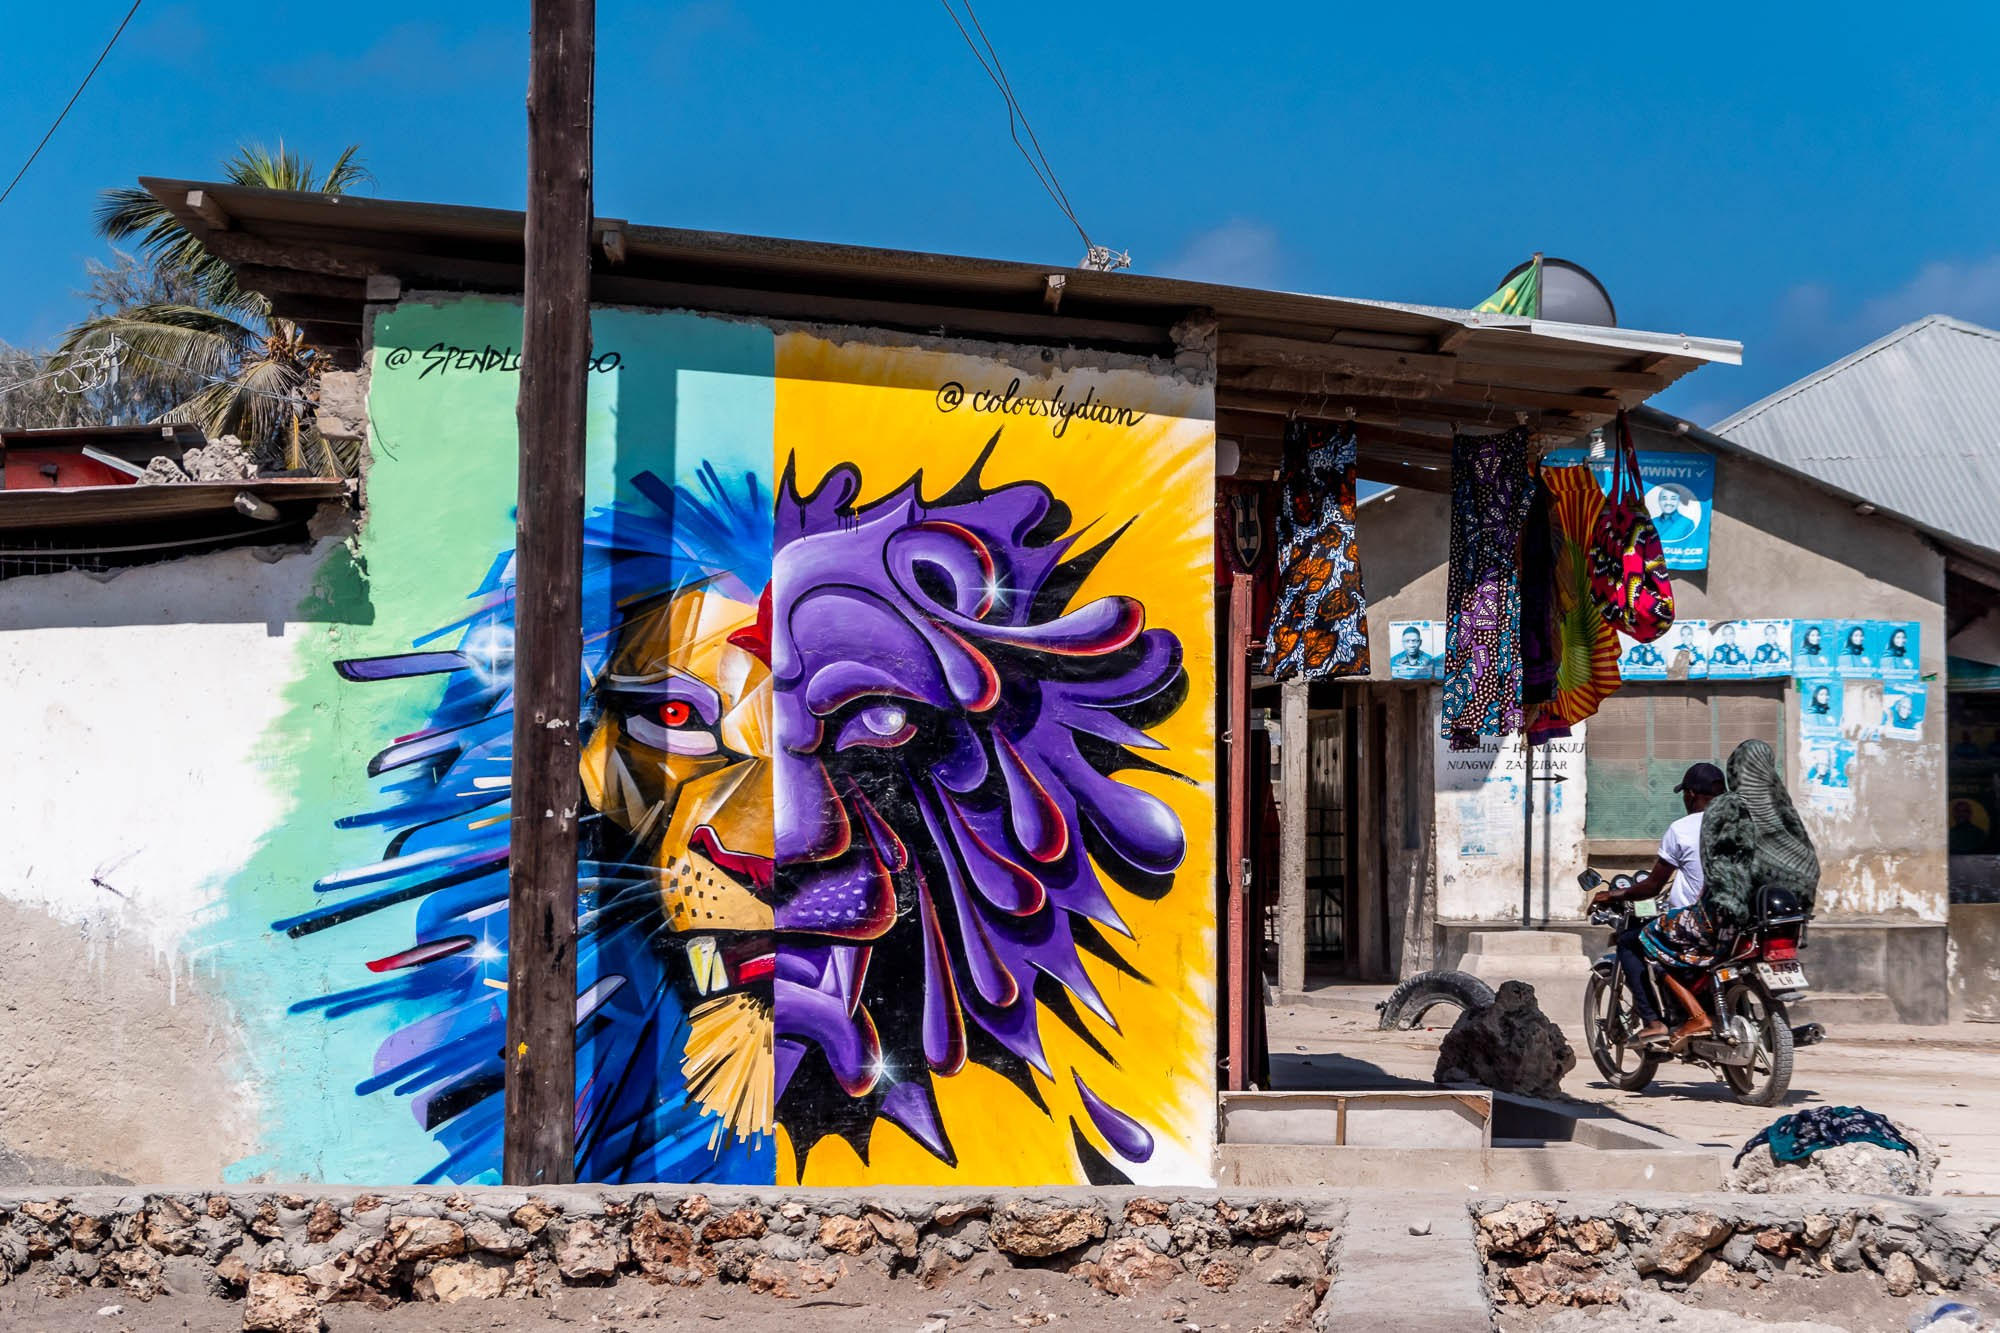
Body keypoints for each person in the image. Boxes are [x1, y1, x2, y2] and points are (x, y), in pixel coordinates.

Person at [1590, 762, 1727, 1047]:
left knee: (1633, 941)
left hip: (1699, 922)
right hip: (1737, 922)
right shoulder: (1741, 824)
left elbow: (1652, 886)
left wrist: (1613, 895)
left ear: (1690, 794)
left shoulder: (1682, 829)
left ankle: (1656, 1022)